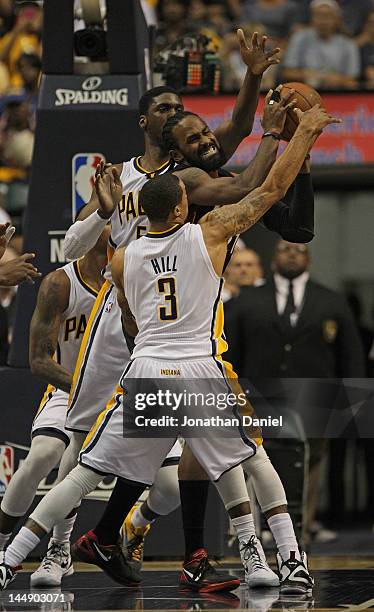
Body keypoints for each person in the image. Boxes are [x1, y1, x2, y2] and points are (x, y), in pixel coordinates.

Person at [0, 103, 337, 593]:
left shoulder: (123, 259)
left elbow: (132, 325)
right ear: (182, 207)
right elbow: (268, 189)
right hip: (197, 366)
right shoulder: (211, 234)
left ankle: (8, 560)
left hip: (144, 368)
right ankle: (288, 559)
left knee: (83, 472)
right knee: (251, 456)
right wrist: (302, 134)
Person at [229, 240, 366, 542]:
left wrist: (352, 402)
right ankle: (260, 527)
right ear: (273, 257)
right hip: (259, 395)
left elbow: (351, 354)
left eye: (299, 250)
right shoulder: (248, 299)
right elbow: (231, 353)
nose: (292, 253)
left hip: (316, 396)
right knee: (261, 460)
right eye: (284, 248)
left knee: (310, 462)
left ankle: (301, 527)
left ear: (309, 259)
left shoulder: (331, 300)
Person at [0, 225, 110, 587]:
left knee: (171, 485)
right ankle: (9, 544)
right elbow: (39, 361)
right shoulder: (62, 282)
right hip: (69, 388)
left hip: (120, 393)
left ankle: (62, 548)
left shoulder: (130, 274)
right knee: (44, 454)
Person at [282, 0, 360, 89]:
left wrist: (337, 80)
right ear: (312, 18)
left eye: (327, 16)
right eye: (319, 16)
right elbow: (287, 73)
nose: (323, 21)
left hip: (337, 94)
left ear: (337, 19)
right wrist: (308, 75)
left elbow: (353, 81)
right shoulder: (299, 38)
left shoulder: (348, 44)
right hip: (305, 93)